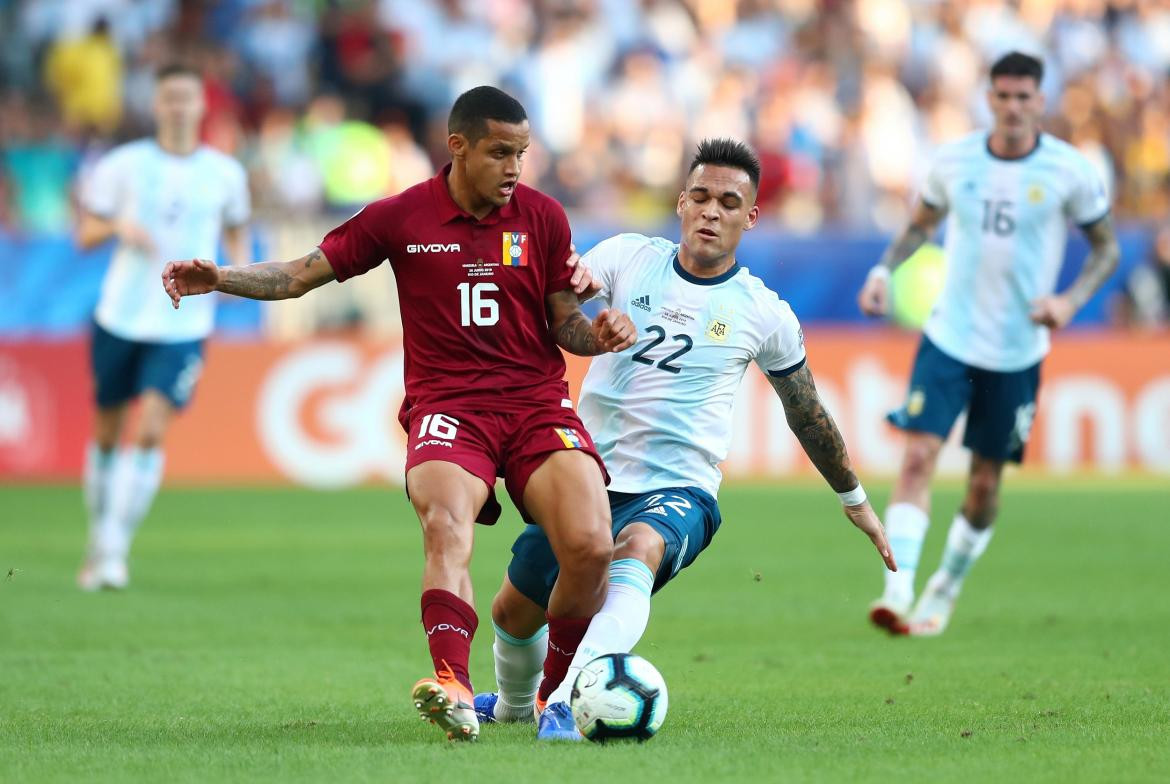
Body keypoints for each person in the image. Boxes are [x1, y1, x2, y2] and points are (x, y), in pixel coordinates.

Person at [162, 86, 637, 743]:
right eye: (500, 152)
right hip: (449, 406)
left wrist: (600, 335)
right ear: (458, 146)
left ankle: (554, 699)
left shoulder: (544, 218)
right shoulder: (400, 217)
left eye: (522, 154)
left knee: (589, 546)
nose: (514, 168)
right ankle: (455, 688)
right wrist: (221, 279)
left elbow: (567, 326)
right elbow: (299, 275)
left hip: (534, 403)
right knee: (445, 526)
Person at [473, 138, 897, 740]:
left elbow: (806, 412)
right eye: (700, 196)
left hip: (679, 488)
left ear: (750, 217)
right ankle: (517, 705)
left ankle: (566, 698)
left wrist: (854, 499)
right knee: (513, 612)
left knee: (639, 549)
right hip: (586, 473)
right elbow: (557, 297)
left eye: (729, 202)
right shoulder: (626, 258)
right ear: (680, 202)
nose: (711, 211)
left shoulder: (762, 312)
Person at [857, 52, 1119, 637]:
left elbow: (1107, 248)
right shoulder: (955, 161)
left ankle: (943, 589)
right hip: (949, 335)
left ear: (1041, 101)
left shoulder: (1068, 170)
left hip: (1018, 348)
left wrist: (1069, 302)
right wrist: (883, 270)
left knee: (983, 483)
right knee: (919, 455)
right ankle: (897, 590)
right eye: (1003, 96)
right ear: (989, 98)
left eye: (1024, 97)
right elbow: (921, 223)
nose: (1013, 107)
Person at [77, 63, 252, 592]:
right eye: (169, 98)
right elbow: (84, 233)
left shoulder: (225, 174)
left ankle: (113, 548)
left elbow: (239, 236)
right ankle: (100, 537)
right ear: (157, 105)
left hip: (183, 322)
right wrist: (116, 227)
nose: (178, 107)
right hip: (120, 315)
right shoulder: (123, 165)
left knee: (151, 427)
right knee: (108, 432)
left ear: (202, 106)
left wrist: (236, 283)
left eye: (187, 98)